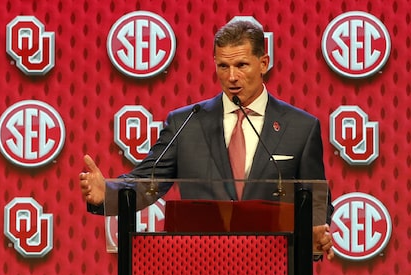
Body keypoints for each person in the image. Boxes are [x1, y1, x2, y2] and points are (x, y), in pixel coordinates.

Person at [79, 19, 335, 260]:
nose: (232, 77)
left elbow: (315, 197)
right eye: (223, 66)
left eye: (242, 65)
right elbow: (148, 181)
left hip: (274, 271)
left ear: (264, 63)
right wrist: (107, 193)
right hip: (200, 271)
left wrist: (313, 234)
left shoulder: (301, 127)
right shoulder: (186, 123)